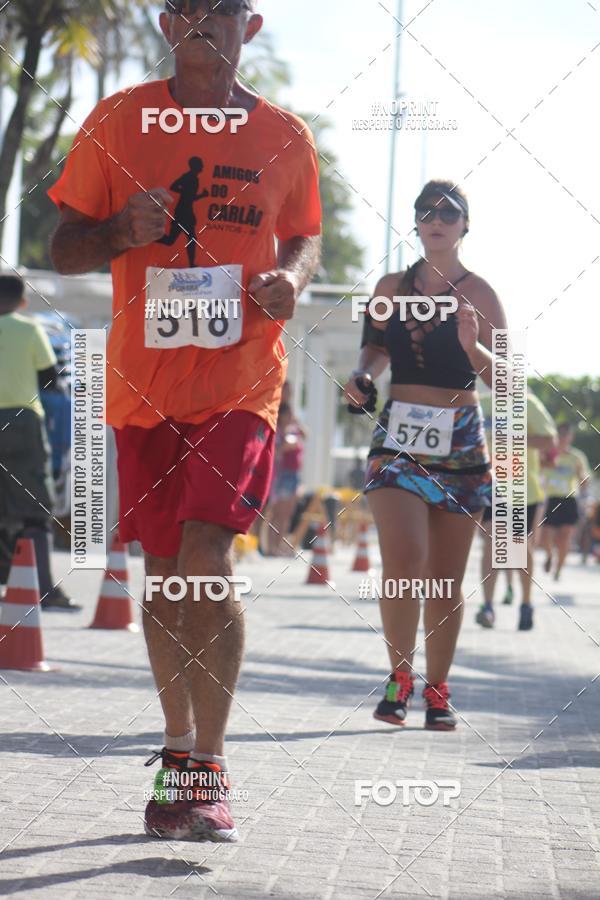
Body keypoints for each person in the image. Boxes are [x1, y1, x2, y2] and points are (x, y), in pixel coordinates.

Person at [49, 0, 321, 843]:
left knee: (205, 555)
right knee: (164, 574)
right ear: (168, 25)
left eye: (223, 9)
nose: (206, 21)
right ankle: (177, 758)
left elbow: (305, 237)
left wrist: (295, 281)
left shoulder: (285, 135)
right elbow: (62, 246)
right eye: (190, 9)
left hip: (241, 378)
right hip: (143, 388)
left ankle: (209, 763)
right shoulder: (119, 120)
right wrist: (114, 232)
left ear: (253, 25)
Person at [344, 180, 506, 730]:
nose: (435, 220)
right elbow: (374, 345)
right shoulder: (391, 284)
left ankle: (438, 689)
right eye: (425, 212)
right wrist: (363, 374)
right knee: (405, 559)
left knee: (444, 577)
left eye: (448, 213)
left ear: (465, 225)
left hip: (461, 437)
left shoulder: (480, 294)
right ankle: (399, 677)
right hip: (399, 434)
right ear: (415, 223)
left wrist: (471, 345)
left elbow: (505, 378)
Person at [0, 274, 80, 610]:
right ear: (22, 302)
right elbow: (51, 379)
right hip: (21, 422)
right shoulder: (31, 329)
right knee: (34, 510)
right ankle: (43, 589)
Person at [476, 390, 557, 630]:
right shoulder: (481, 402)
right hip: (493, 484)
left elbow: (549, 441)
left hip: (524, 488)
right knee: (492, 540)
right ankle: (488, 606)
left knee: (520, 547)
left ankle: (526, 603)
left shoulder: (529, 403)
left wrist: (514, 437)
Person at [540, 424, 591, 581]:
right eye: (559, 435)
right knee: (546, 536)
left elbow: (585, 479)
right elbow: (536, 471)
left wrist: (582, 477)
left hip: (569, 499)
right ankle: (549, 555)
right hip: (550, 498)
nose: (562, 438)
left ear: (570, 438)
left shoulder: (576, 457)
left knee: (564, 538)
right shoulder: (548, 454)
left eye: (565, 435)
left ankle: (559, 568)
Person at [263, 401, 305, 556]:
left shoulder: (293, 430)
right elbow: (275, 452)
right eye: (287, 414)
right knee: (276, 514)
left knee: (287, 514)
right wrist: (286, 446)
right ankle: (271, 546)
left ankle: (279, 544)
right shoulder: (278, 431)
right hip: (282, 474)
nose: (290, 417)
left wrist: (297, 424)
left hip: (293, 474)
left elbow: (306, 435)